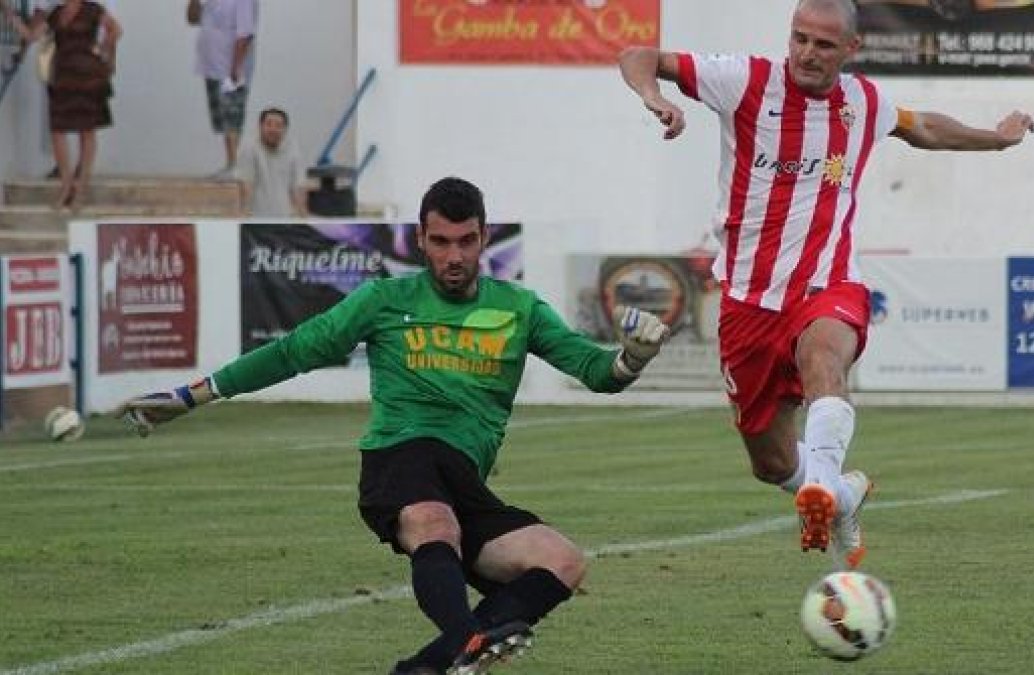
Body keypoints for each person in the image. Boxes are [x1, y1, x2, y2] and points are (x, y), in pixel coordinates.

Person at [118, 177, 670, 675]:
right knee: (435, 523)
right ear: (422, 240)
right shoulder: (384, 300)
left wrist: (633, 358)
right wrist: (193, 395)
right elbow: (291, 352)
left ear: (483, 238)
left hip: (462, 480)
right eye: (440, 242)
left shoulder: (519, 309)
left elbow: (595, 370)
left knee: (562, 561)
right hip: (399, 459)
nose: (453, 255)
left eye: (466, 241)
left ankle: (428, 667)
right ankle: (467, 640)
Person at [618, 0, 1034, 569]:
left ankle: (819, 489)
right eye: (800, 39)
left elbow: (925, 129)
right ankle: (839, 493)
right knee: (768, 461)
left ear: (850, 50)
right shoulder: (743, 81)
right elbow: (639, 55)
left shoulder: (862, 102)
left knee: (824, 362)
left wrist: (996, 137)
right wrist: (654, 97)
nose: (807, 53)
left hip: (826, 284)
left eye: (823, 44)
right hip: (747, 300)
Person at [3, 0, 120, 209]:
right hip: (63, 77)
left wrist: (106, 51)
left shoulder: (93, 10)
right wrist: (11, 15)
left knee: (87, 131)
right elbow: (32, 35)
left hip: (88, 76)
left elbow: (115, 29)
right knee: (58, 129)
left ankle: (80, 187)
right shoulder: (56, 13)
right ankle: (66, 185)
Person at [187, 0, 258, 178]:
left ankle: (236, 165)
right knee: (221, 118)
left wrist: (236, 67)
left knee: (232, 115)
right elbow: (193, 19)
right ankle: (230, 164)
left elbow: (246, 33)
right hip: (211, 65)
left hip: (231, 67)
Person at [236, 106, 308, 217]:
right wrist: (244, 215)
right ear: (260, 127)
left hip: (286, 218)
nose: (273, 129)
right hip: (257, 218)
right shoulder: (249, 148)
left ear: (285, 129)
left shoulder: (294, 149)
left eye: (278, 126)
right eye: (268, 124)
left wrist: (304, 217)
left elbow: (298, 186)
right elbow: (246, 184)